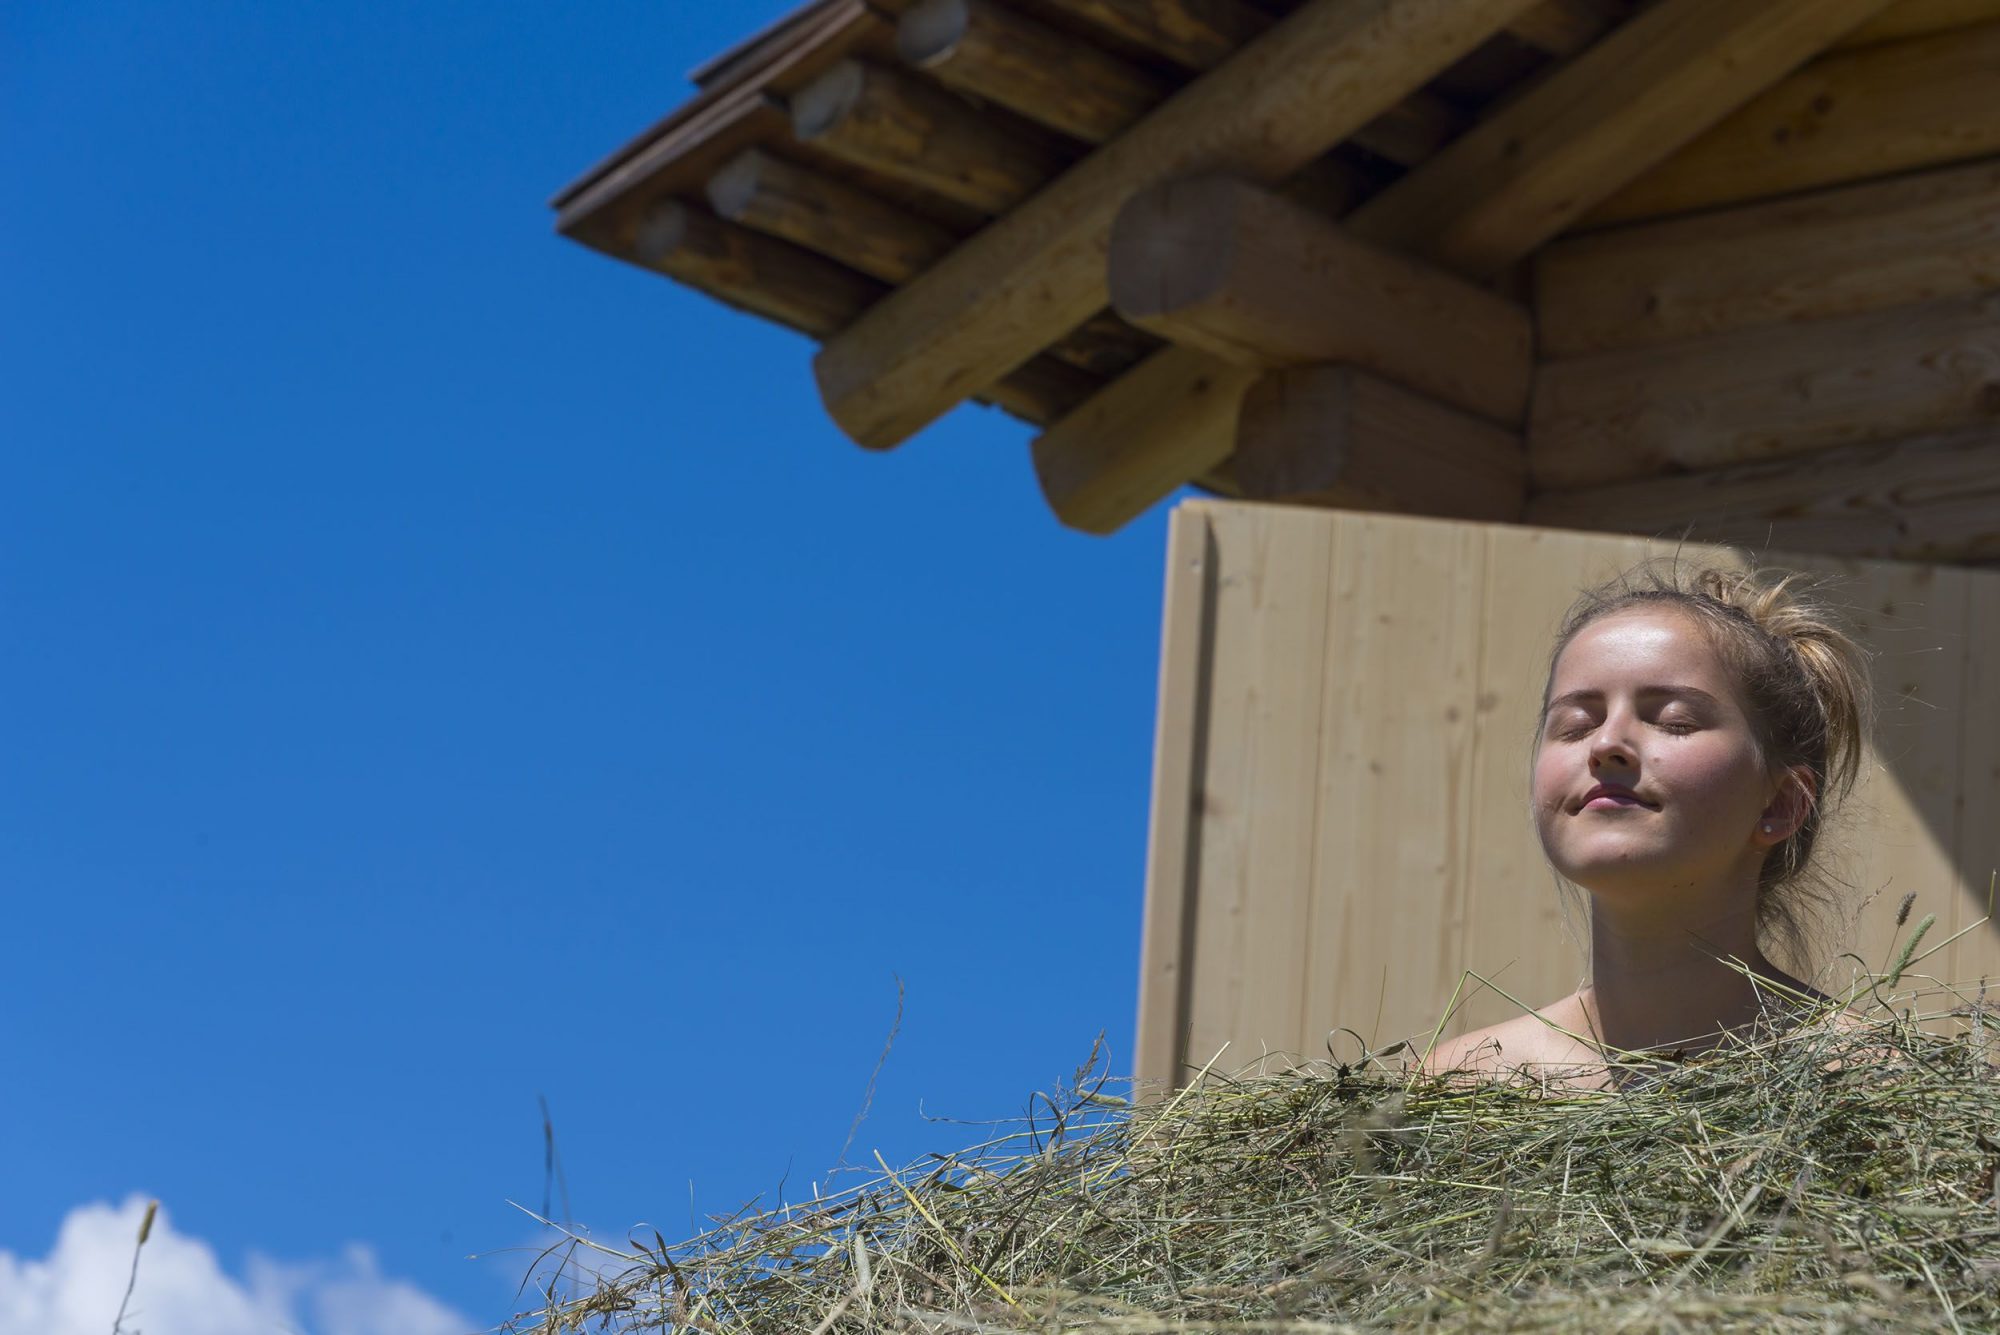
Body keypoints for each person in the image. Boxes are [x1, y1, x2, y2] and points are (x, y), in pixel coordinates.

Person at [1423, 561, 1873, 1088]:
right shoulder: (1452, 1094)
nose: (1606, 744)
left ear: (1780, 804)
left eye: (1673, 721)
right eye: (1575, 725)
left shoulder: (1878, 1095)